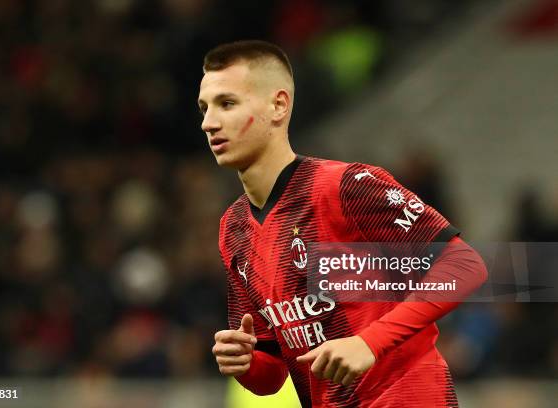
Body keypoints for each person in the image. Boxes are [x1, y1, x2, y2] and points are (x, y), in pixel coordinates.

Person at [199, 40, 487, 407]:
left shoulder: (344, 186)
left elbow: (464, 265)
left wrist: (369, 341)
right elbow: (272, 376)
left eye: (227, 103)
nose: (209, 123)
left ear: (278, 105)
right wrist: (245, 363)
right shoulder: (234, 228)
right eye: (204, 108)